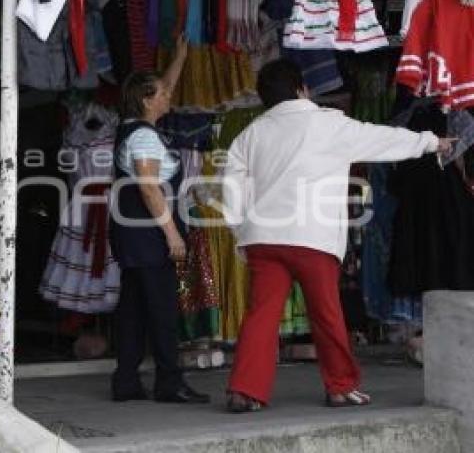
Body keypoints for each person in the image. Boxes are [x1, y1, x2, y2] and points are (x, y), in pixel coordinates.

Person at [222, 59, 454, 412]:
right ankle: (341, 387)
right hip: (313, 236)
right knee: (327, 314)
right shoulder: (328, 124)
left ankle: (244, 390)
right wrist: (430, 142)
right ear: (302, 88)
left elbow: (232, 183)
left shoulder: (252, 133)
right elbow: (381, 139)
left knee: (261, 315)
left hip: (263, 237)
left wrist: (239, 228)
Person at [108, 35, 210, 404]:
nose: (169, 95)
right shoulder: (146, 139)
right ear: (147, 100)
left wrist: (180, 55)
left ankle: (126, 380)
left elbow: (164, 85)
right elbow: (150, 189)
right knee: (163, 310)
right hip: (149, 237)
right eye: (162, 94)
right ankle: (170, 381)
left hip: (130, 236)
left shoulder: (131, 127)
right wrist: (172, 235)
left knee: (133, 309)